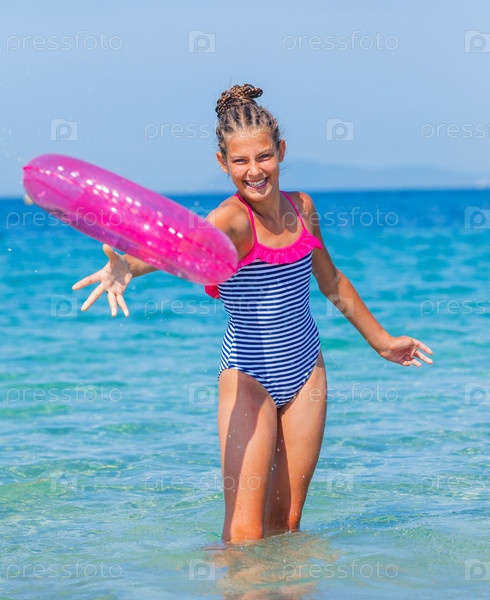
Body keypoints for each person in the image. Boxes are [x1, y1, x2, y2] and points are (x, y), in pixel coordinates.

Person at [72, 84, 433, 544]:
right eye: (240, 161)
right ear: (223, 163)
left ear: (281, 151)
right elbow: (179, 246)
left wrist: (383, 342)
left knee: (287, 525)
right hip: (249, 374)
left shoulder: (302, 207)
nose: (254, 170)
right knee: (244, 533)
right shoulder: (232, 220)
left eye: (263, 156)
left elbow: (331, 280)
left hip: (306, 370)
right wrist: (128, 266)